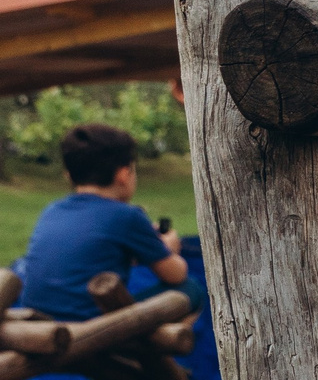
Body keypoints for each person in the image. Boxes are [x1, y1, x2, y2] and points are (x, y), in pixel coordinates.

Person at [13, 124, 190, 319]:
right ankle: (156, 349)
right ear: (124, 174)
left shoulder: (52, 210)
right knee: (190, 289)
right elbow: (176, 274)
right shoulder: (126, 215)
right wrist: (168, 249)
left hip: (36, 322)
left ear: (69, 175)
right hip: (89, 329)